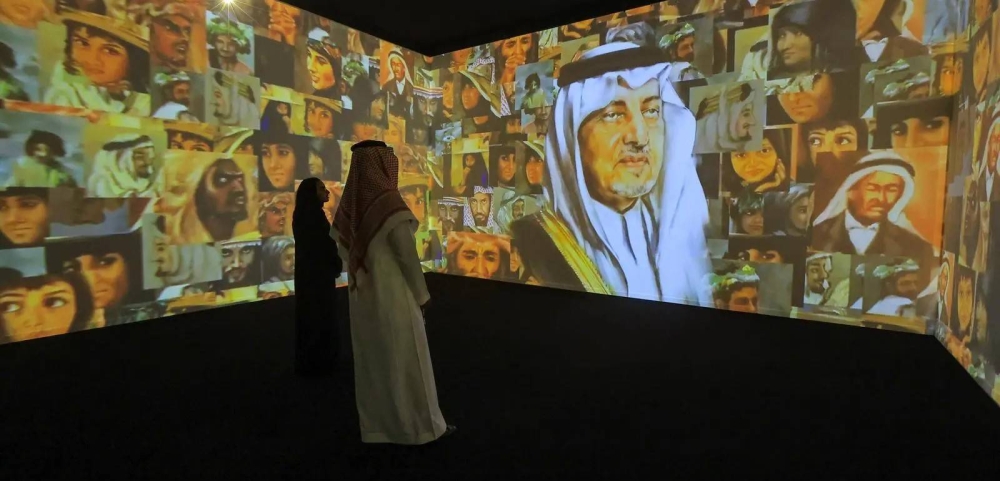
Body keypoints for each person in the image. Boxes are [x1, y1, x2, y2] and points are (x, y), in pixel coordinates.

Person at [330, 140, 454, 444]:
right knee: (409, 363)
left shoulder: (351, 208)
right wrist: (422, 295)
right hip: (396, 298)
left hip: (364, 299)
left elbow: (343, 248)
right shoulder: (388, 205)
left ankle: (380, 428)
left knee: (376, 364)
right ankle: (422, 429)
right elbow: (406, 256)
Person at [292, 177, 342, 377]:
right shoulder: (313, 217)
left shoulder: (304, 214)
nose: (327, 192)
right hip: (318, 279)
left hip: (312, 277)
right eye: (322, 189)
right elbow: (322, 246)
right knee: (319, 318)